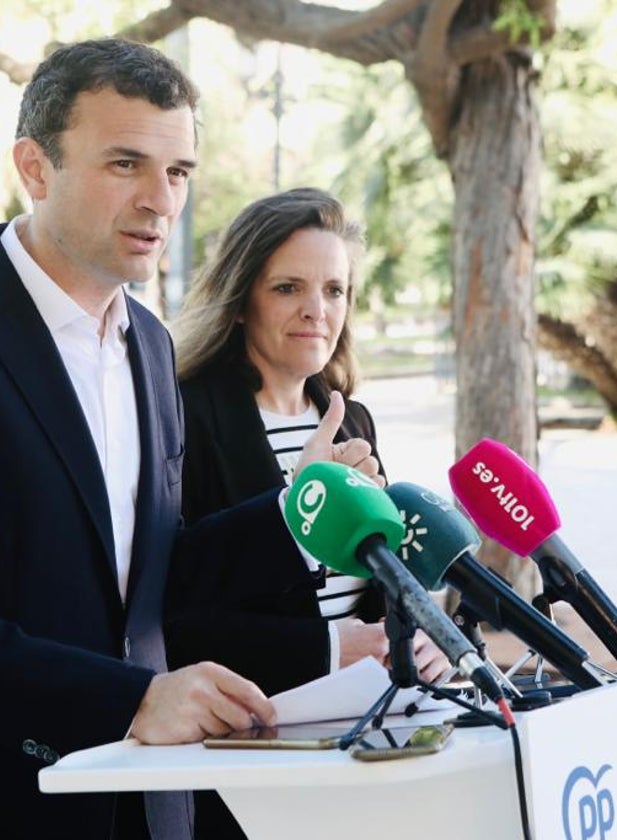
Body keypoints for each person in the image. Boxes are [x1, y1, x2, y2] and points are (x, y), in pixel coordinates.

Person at [0, 40, 378, 840]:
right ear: (35, 167)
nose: (161, 201)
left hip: (143, 805)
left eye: (179, 171)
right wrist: (129, 700)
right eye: (126, 164)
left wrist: (291, 512)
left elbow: (152, 575)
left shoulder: (149, 347)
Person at [166, 188, 449, 840]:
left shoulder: (352, 418)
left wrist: (419, 632)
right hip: (243, 754)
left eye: (335, 290)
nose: (316, 311)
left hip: (360, 742)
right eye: (288, 288)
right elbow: (176, 612)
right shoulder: (186, 416)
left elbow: (376, 585)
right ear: (241, 301)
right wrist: (327, 649)